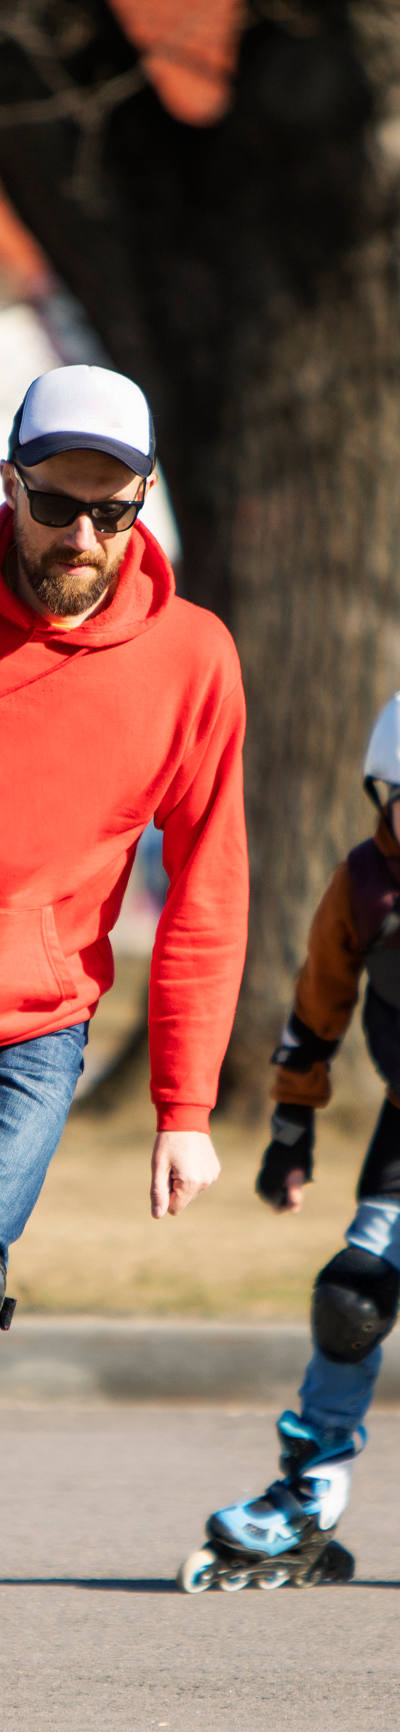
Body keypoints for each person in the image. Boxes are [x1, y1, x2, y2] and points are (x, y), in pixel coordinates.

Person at [0, 361, 248, 1324]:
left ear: (145, 497)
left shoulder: (192, 661)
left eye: (111, 513)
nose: (81, 537)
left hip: (34, 1032)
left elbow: (207, 893)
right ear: (12, 480)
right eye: (56, 504)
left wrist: (184, 1111)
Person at [178, 692, 400, 1590]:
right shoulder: (364, 887)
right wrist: (290, 1126)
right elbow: (319, 1003)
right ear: (379, 796)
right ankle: (310, 1494)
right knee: (351, 1298)